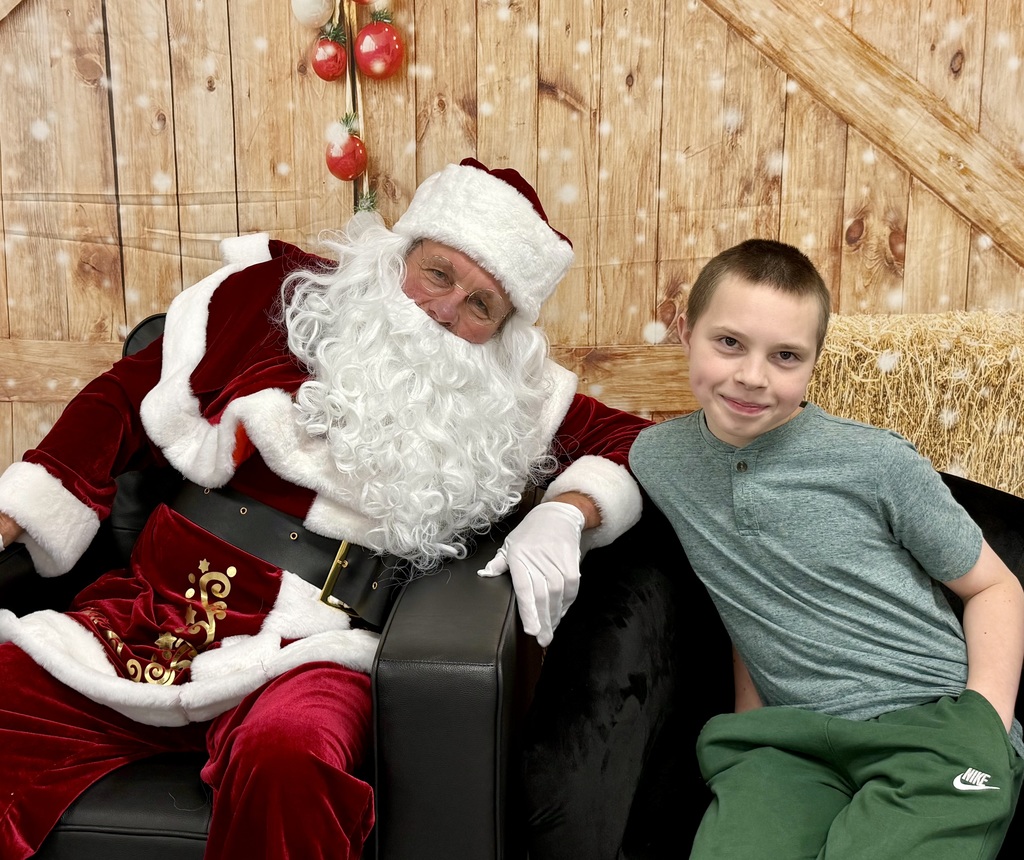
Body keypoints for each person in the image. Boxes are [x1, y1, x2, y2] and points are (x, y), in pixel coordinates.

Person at [0, 158, 652, 859]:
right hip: (151, 614)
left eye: (481, 305)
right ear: (400, 254)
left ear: (502, 330)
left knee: (290, 756)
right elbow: (122, 401)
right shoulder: (273, 303)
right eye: (438, 274)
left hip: (316, 652)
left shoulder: (513, 398)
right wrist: (13, 515)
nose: (445, 311)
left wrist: (567, 511)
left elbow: (636, 445)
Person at [629, 238, 1024, 859]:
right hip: (789, 745)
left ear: (814, 362)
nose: (752, 376)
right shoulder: (658, 459)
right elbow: (744, 586)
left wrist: (985, 723)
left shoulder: (875, 462)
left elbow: (997, 585)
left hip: (930, 720)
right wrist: (752, 724)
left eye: (785, 355)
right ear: (685, 331)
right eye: (728, 342)